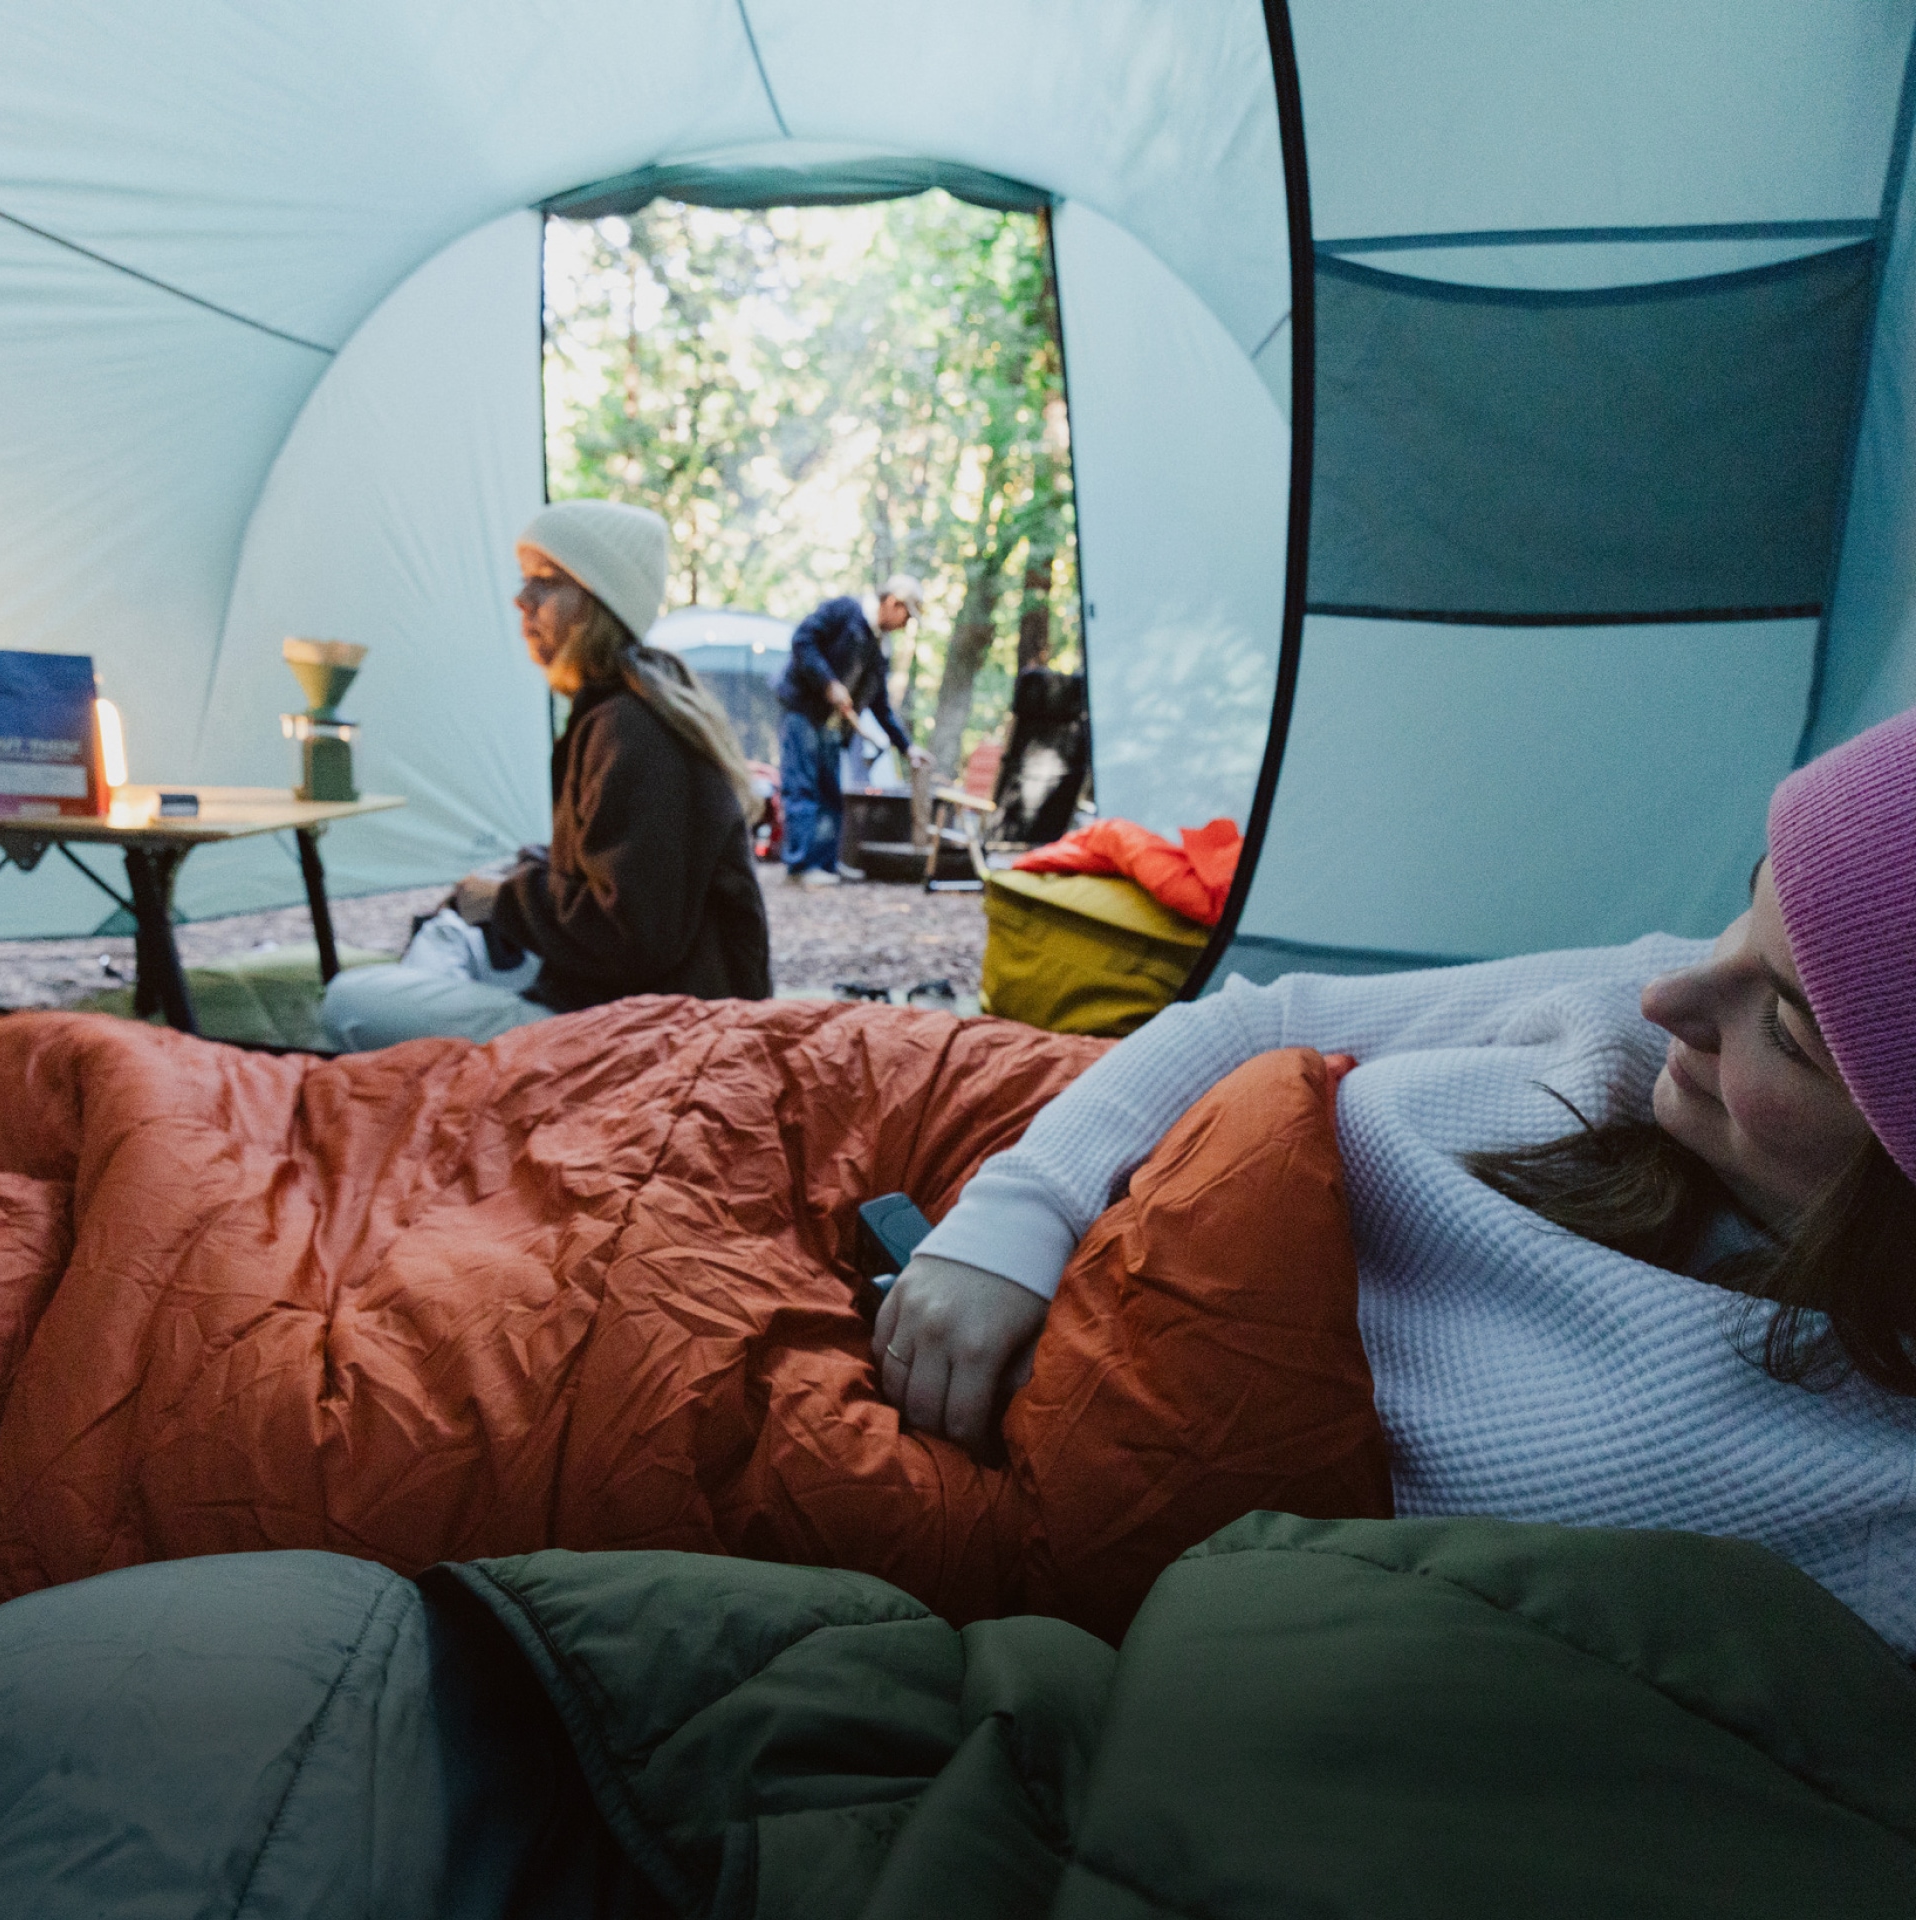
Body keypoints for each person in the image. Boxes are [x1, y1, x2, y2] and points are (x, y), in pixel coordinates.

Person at [877, 705, 1916, 1655]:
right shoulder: (1642, 1019)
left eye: (1784, 1031)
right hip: (1060, 1222)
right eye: (1743, 908)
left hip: (1078, 1503)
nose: (1666, 995)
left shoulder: (1865, 1513)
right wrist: (1018, 1212)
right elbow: (1268, 1020)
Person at [322, 501, 770, 1050]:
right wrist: (523, 872)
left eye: (546, 581)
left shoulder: (632, 730)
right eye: (525, 580)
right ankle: (451, 1064)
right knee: (452, 933)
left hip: (642, 1036)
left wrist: (506, 900)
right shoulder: (621, 710)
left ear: (597, 604)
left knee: (350, 1002)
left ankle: (459, 1071)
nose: (522, 600)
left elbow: (632, 939)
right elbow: (617, 875)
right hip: (611, 1000)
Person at [775, 576, 932, 886]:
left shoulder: (879, 645)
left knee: (831, 793)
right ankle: (800, 867)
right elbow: (803, 640)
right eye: (906, 616)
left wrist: (906, 746)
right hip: (803, 712)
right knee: (803, 789)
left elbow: (880, 703)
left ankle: (825, 865)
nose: (905, 625)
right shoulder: (845, 610)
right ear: (892, 603)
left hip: (834, 726)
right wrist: (828, 683)